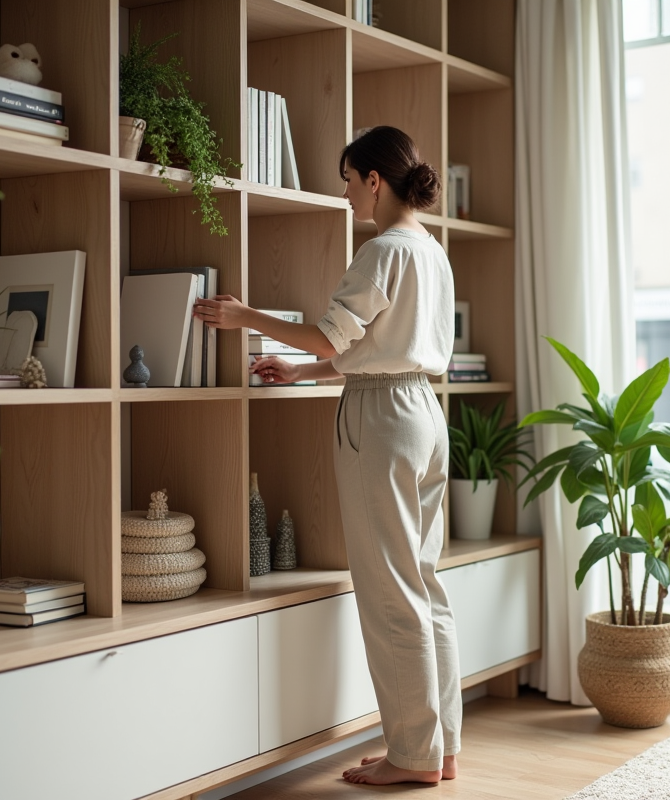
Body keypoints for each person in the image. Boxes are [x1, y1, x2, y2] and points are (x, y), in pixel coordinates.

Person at [193, 126, 461, 786]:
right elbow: (376, 353)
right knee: (424, 585)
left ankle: (411, 756)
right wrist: (303, 373)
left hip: (382, 423)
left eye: (348, 180)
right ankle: (439, 747)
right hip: (424, 413)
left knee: (390, 590)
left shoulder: (381, 253)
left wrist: (244, 315)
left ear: (375, 179)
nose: (345, 196)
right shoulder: (432, 252)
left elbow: (327, 335)